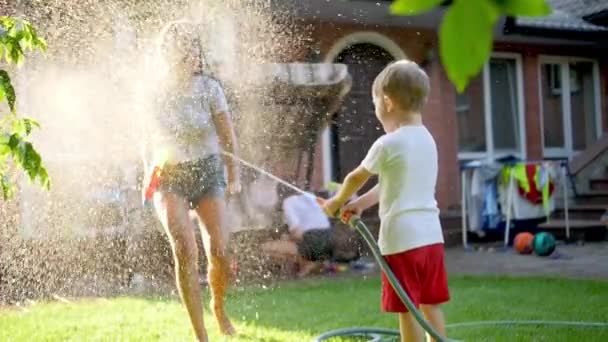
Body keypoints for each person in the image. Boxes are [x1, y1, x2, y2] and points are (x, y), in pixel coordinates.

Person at [321, 60, 450, 342]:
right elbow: (392, 185)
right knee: (430, 303)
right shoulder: (428, 140)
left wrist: (336, 202)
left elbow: (356, 177)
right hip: (431, 238)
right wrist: (361, 204)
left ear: (388, 102)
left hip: (402, 239)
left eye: (375, 101)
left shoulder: (388, 143)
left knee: (407, 307)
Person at [142, 21, 239, 341]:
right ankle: (201, 336)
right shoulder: (154, 92)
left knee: (220, 251)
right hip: (170, 176)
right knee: (184, 248)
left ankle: (219, 306)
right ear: (171, 54)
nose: (195, 55)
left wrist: (234, 176)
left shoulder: (210, 88)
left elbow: (228, 137)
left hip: (208, 171)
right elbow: (148, 139)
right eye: (187, 50)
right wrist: (147, 171)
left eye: (196, 49)